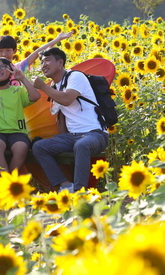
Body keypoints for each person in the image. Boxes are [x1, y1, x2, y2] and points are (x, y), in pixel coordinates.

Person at [32, 47, 108, 192]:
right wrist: (59, 141)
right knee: (39, 147)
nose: (43, 65)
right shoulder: (55, 86)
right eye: (41, 62)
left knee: (82, 145)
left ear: (60, 62)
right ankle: (66, 186)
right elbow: (61, 117)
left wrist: (42, 86)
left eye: (47, 60)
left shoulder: (75, 77)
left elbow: (67, 100)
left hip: (95, 133)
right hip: (72, 136)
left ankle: (79, 191)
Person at [0, 57, 40, 174]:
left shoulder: (18, 90)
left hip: (17, 132)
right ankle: (7, 181)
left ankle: (9, 181)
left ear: (11, 71)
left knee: (21, 147)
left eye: (3, 67)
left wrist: (22, 78)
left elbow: (35, 96)